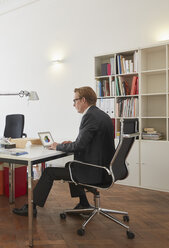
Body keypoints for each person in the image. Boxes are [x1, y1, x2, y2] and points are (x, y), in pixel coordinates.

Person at [13, 86, 115, 217]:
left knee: (49, 172)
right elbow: (89, 142)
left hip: (94, 171)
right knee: (71, 166)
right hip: (104, 168)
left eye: (75, 101)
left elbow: (79, 146)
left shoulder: (89, 116)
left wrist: (57, 146)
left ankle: (31, 206)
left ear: (83, 100)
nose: (73, 105)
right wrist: (70, 143)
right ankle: (83, 203)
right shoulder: (102, 115)